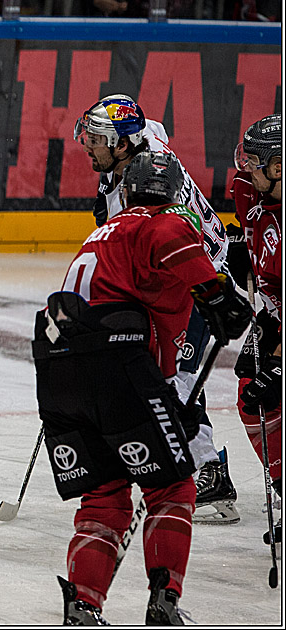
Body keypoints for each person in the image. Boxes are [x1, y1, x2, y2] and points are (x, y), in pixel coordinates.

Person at [35, 150, 251, 624]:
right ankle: (164, 602)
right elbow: (173, 241)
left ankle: (84, 606)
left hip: (58, 370)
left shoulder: (101, 232)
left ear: (126, 190)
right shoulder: (161, 222)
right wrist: (217, 294)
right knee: (172, 487)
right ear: (174, 195)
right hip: (118, 365)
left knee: (106, 496)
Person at [73, 94, 239, 524]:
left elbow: (169, 245)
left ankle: (208, 471)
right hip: (175, 274)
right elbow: (153, 127)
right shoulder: (139, 151)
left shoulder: (144, 190)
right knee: (156, 378)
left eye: (95, 139)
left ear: (123, 146)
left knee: (175, 383)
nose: (85, 145)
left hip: (197, 279)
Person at [230, 113, 282, 548]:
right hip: (276, 314)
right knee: (252, 394)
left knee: (267, 390)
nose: (246, 168)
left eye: (256, 161)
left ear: (279, 167)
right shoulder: (262, 202)